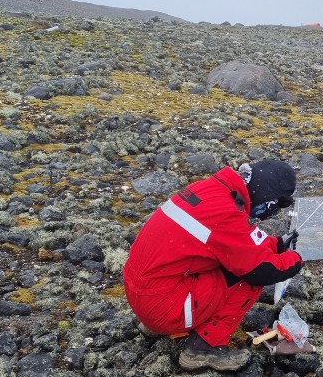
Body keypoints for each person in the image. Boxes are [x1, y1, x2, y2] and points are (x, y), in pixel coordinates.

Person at [123, 159, 303, 372]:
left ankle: (158, 322)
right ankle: (204, 346)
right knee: (246, 277)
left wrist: (276, 244)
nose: (268, 214)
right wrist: (295, 259)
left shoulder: (213, 190)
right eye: (274, 206)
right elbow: (260, 270)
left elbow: (234, 239)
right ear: (268, 198)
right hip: (164, 308)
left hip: (142, 295)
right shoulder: (227, 213)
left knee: (229, 261)